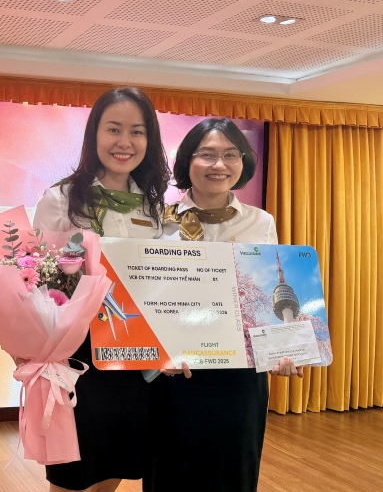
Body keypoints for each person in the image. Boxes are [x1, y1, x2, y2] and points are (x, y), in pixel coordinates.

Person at [148, 117, 303, 492]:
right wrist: (153, 353)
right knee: (170, 475)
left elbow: (265, 292)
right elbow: (146, 294)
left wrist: (283, 349)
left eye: (231, 155)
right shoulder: (156, 220)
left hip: (239, 374)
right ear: (187, 161)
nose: (219, 164)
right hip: (175, 370)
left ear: (242, 162)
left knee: (234, 473)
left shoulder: (260, 222)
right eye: (207, 154)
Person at [29, 87, 171, 492]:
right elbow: (38, 279)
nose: (125, 142)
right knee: (72, 475)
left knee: (114, 467)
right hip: (79, 355)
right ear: (94, 134)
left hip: (136, 355)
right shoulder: (62, 198)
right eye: (114, 129)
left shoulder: (153, 205)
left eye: (137, 131)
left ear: (149, 139)